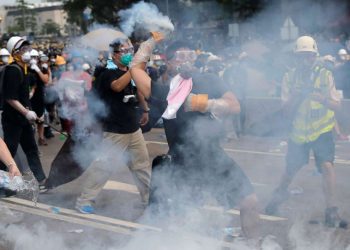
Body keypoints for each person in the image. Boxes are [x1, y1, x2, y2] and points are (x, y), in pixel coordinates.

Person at [130, 33, 260, 241]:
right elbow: (136, 70)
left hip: (214, 157)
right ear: (169, 63)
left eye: (190, 55)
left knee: (249, 202)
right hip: (182, 164)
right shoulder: (166, 90)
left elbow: (235, 106)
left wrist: (205, 104)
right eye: (180, 57)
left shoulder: (210, 79)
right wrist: (151, 41)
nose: (187, 60)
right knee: (183, 222)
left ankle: (254, 244)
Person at [265, 36, 348, 228]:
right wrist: (296, 94)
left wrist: (323, 99)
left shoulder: (325, 75)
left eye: (309, 56)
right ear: (295, 58)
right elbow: (285, 111)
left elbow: (337, 105)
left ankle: (331, 211)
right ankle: (279, 194)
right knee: (290, 169)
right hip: (298, 134)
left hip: (322, 131)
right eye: (301, 56)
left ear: (315, 56)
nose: (305, 61)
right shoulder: (289, 77)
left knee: (327, 166)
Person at [75, 37, 152, 214]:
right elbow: (117, 87)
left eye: (130, 50)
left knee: (141, 166)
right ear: (114, 55)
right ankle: (84, 200)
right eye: (124, 51)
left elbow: (137, 89)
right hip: (115, 130)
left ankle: (149, 199)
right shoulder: (107, 71)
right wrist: (134, 69)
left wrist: (145, 109)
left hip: (133, 127)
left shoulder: (130, 70)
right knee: (103, 167)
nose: (128, 54)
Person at [1, 36, 48, 192]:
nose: (27, 52)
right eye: (23, 49)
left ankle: (41, 181)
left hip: (24, 119)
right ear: (14, 53)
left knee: (31, 149)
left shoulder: (25, 70)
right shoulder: (13, 71)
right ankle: (2, 181)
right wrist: (26, 112)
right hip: (13, 120)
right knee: (9, 151)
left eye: (28, 48)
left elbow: (24, 96)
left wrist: (33, 113)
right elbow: (10, 98)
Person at [28, 49, 51, 146]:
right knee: (29, 119)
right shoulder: (25, 68)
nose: (33, 59)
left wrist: (38, 70)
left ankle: (41, 138)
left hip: (39, 96)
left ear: (38, 58)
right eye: (32, 57)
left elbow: (45, 80)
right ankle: (30, 141)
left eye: (35, 57)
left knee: (40, 119)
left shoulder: (42, 68)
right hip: (28, 96)